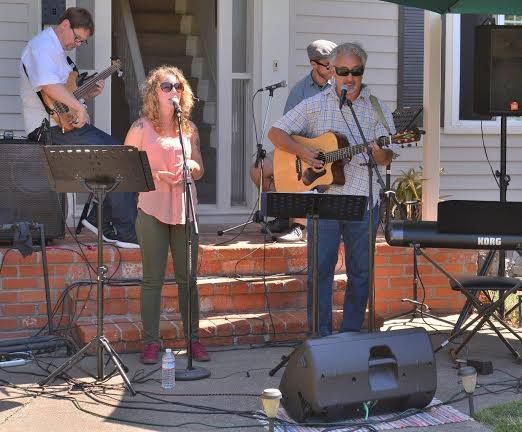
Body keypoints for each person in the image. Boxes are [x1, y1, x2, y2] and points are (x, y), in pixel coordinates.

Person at [268, 42, 397, 336]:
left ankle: (350, 335)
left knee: (360, 272)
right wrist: (304, 153)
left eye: (356, 71)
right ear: (333, 72)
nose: (350, 78)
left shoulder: (376, 107)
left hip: (363, 200)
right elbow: (276, 132)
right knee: (320, 272)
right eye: (343, 71)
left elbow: (387, 156)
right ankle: (320, 338)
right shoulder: (315, 104)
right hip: (324, 202)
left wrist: (379, 151)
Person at [19, 7, 138, 248]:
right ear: (64, 25)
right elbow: (49, 86)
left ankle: (100, 219)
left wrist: (85, 96)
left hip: (62, 126)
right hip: (48, 130)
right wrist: (78, 107)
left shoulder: (60, 55)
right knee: (119, 156)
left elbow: (64, 97)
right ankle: (122, 230)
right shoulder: (41, 46)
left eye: (82, 42)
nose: (77, 44)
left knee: (120, 155)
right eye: (77, 38)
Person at [124, 65, 209, 364]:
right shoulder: (140, 128)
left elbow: (200, 168)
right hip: (152, 208)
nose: (174, 91)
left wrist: (191, 168)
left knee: (189, 279)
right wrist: (157, 174)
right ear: (154, 93)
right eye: (167, 87)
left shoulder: (190, 128)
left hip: (185, 209)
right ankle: (151, 342)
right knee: (153, 279)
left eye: (178, 87)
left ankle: (193, 339)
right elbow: (126, 171)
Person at [250, 40, 337, 242]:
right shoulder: (300, 91)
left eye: (334, 63)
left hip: (329, 151)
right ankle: (284, 215)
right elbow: (285, 129)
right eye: (327, 65)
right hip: (302, 148)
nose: (333, 69)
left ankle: (298, 225)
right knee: (257, 170)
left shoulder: (340, 87)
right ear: (313, 64)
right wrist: (302, 151)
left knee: (306, 177)